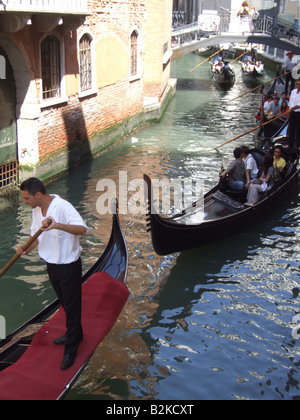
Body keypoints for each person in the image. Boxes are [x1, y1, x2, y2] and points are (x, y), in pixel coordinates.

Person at [16, 178, 88, 371]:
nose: (25, 202)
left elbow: (82, 229)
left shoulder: (63, 206)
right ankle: (76, 333)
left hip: (69, 265)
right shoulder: (36, 210)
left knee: (72, 307)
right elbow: (35, 239)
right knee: (65, 303)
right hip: (52, 265)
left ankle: (71, 350)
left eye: (26, 198)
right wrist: (24, 249)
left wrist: (57, 225)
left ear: (38, 195)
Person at [287, 80, 300, 149]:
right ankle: (290, 144)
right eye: (297, 84)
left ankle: (298, 145)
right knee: (291, 128)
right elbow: (290, 102)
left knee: (298, 129)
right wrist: (289, 110)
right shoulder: (293, 91)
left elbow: (299, 105)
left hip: (299, 113)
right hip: (292, 113)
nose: (298, 85)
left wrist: (291, 109)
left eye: (299, 84)